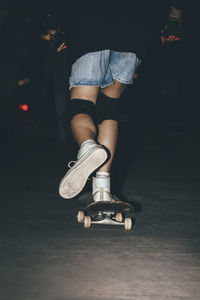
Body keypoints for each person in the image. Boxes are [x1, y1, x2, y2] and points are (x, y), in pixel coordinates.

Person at [52, 0, 184, 201]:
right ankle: (102, 190)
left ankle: (88, 147)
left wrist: (56, 27)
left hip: (90, 24)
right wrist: (174, 20)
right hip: (135, 30)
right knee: (109, 108)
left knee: (81, 105)